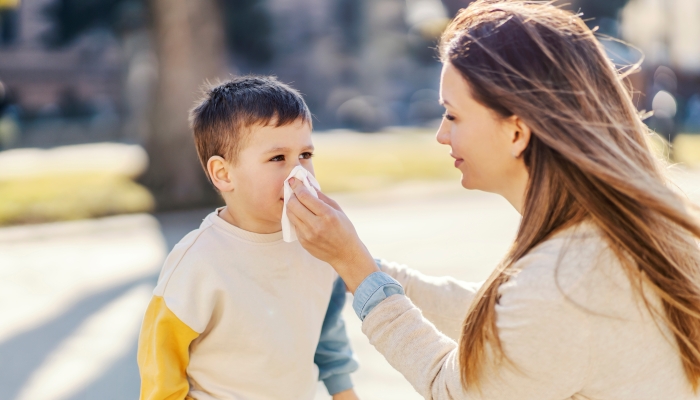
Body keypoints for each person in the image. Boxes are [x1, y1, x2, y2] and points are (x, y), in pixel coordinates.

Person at [285, 1, 700, 399]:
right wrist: (355, 264)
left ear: (516, 132)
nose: (441, 135)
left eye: (452, 115)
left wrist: (359, 275)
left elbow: (451, 388)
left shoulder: (563, 282)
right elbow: (504, 320)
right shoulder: (615, 231)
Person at [137, 76, 360, 400]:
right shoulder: (199, 262)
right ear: (224, 174)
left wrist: (345, 392)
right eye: (277, 158)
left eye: (306, 155)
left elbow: (326, 332)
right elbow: (161, 363)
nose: (298, 173)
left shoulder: (318, 244)